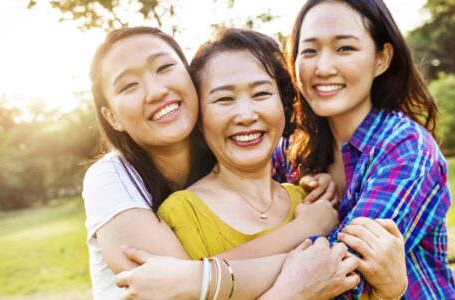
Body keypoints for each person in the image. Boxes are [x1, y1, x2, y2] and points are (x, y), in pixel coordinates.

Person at [83, 26, 355, 299]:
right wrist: (305, 243)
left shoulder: (229, 151)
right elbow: (177, 286)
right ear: (112, 117)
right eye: (129, 85)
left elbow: (197, 276)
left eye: (164, 67)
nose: (155, 91)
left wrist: (314, 182)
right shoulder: (112, 178)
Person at [275, 0, 455, 298]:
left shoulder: (406, 148)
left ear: (382, 59)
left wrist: (305, 226)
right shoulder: (290, 149)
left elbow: (343, 279)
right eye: (308, 51)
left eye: (344, 48)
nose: (323, 67)